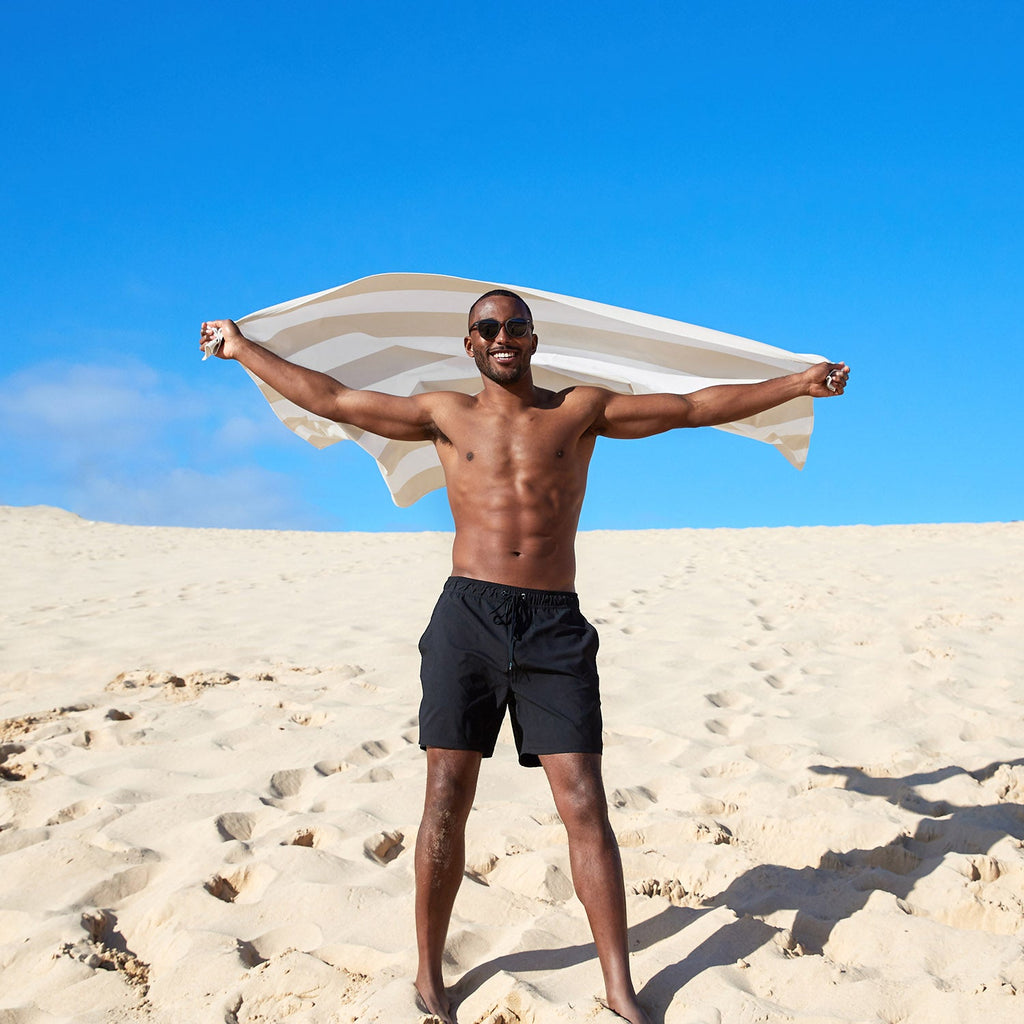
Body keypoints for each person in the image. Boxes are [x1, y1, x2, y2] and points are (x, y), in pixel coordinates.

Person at [200, 290, 849, 1024]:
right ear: (469, 344)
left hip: (553, 626)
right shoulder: (442, 414)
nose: (502, 337)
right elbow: (336, 399)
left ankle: (618, 986)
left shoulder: (579, 412)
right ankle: (429, 975)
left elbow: (695, 406)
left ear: (533, 339)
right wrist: (242, 348)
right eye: (487, 328)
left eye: (514, 327)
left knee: (583, 804)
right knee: (446, 796)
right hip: (468, 618)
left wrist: (795, 383)